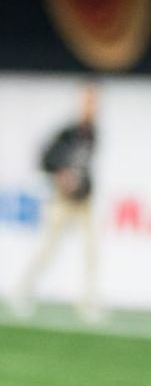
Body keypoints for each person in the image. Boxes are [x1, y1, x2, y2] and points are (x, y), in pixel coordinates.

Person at [11, 83, 101, 321]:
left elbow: (86, 167)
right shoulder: (67, 132)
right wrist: (61, 175)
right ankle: (23, 290)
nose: (92, 106)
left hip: (84, 200)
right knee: (48, 248)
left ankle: (86, 303)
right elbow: (45, 159)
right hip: (62, 200)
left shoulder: (93, 132)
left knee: (91, 250)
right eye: (88, 100)